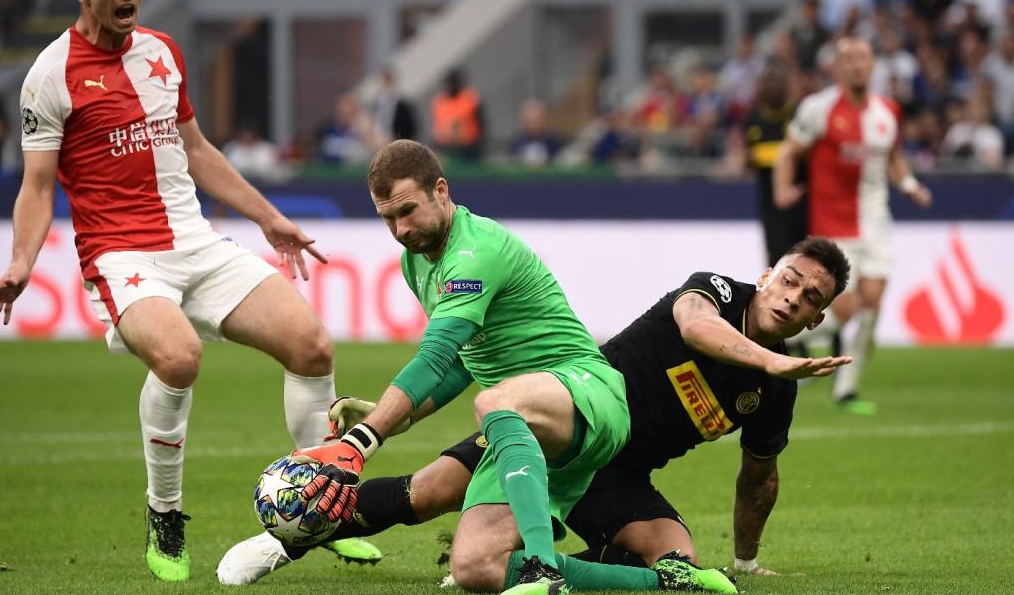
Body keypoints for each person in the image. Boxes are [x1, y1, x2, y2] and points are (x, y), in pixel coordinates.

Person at [0, 0, 372, 581]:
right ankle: (165, 513)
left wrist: (267, 217)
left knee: (312, 345)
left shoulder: (161, 51)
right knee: (180, 356)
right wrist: (21, 262)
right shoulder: (50, 74)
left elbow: (196, 149)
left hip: (196, 243)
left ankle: (320, 508)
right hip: (120, 254)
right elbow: (38, 187)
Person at [255, 139, 739, 594]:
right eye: (388, 219)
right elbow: (460, 366)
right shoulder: (417, 262)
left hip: (589, 392)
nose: (401, 229)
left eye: (408, 210)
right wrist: (387, 415)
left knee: (493, 400)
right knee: (475, 568)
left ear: (441, 191)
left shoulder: (475, 251)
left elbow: (435, 355)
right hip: (524, 430)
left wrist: (361, 443)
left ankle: (542, 567)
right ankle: (668, 582)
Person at [224, 237, 853, 586]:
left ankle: (529, 562)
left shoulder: (779, 390)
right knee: (429, 492)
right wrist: (769, 361)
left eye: (809, 298)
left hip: (618, 472)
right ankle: (289, 538)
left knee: (676, 564)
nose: (793, 297)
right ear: (769, 274)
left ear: (816, 319)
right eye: (791, 280)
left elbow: (759, 476)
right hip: (564, 419)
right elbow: (692, 326)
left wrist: (745, 559)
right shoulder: (715, 290)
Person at [773, 37, 932, 415]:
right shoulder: (819, 109)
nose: (857, 65)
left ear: (873, 64)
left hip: (876, 222)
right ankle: (789, 340)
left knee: (872, 309)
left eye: (863, 57)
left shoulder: (887, 110)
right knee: (847, 310)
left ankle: (846, 389)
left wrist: (910, 185)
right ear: (838, 67)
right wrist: (782, 189)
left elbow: (893, 157)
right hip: (834, 227)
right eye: (849, 59)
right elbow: (788, 151)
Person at [744, 65, 805, 268]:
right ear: (760, 88)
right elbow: (749, 160)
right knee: (777, 265)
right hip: (770, 208)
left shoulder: (799, 116)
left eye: (778, 82)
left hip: (801, 204)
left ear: (787, 87)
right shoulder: (752, 121)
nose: (774, 88)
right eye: (768, 83)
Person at [431, 69, 484, 161]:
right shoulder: (439, 101)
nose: (451, 87)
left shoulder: (470, 99)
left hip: (468, 148)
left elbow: (481, 124)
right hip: (444, 147)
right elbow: (438, 127)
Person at [371, 67, 418, 141]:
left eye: (388, 81)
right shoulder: (376, 105)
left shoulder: (403, 105)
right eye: (384, 82)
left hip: (397, 143)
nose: (386, 85)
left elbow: (411, 128)